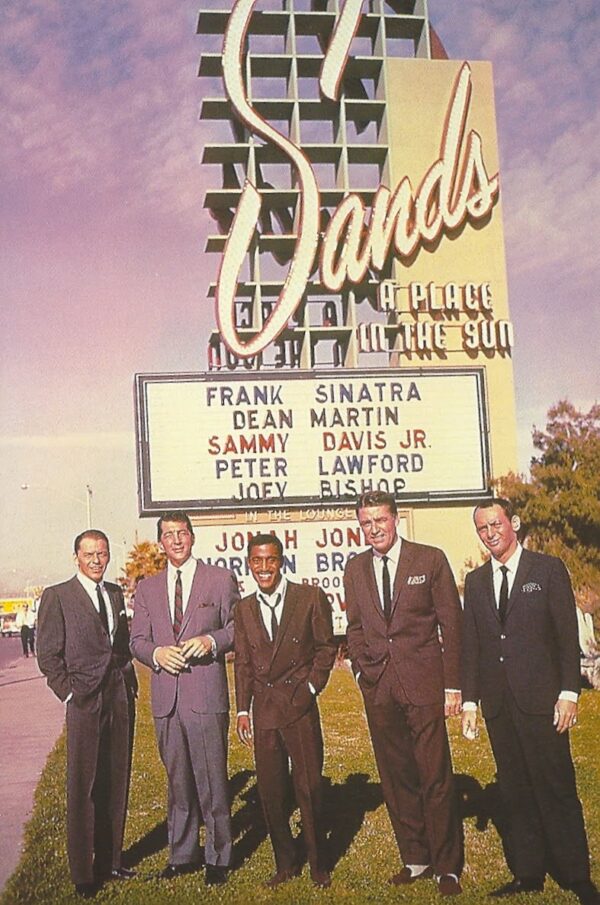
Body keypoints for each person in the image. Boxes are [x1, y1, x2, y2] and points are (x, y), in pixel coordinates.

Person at [462, 498, 599, 905]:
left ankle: (578, 876)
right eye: (482, 529)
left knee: (556, 788)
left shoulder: (547, 569)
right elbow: (472, 646)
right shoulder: (475, 581)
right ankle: (528, 873)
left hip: (543, 703)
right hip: (500, 707)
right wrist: (470, 701)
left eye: (495, 525)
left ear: (513, 523)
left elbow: (564, 637)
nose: (490, 534)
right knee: (515, 791)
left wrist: (569, 693)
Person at [343, 490, 463, 897]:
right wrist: (362, 671)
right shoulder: (355, 568)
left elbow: (452, 624)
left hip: (425, 684)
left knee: (434, 776)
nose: (374, 528)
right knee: (396, 777)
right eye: (366, 522)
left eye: (380, 520)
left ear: (396, 519)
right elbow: (354, 628)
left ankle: (448, 866)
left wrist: (452, 685)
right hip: (379, 689)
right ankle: (416, 858)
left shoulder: (429, 559)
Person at [130, 511, 238, 886]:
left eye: (181, 533)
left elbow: (238, 627)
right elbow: (137, 641)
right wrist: (156, 655)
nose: (175, 540)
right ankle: (182, 854)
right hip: (167, 698)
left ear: (192, 537)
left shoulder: (219, 579)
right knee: (177, 781)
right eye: (168, 534)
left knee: (212, 779)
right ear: (161, 541)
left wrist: (211, 642)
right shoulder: (146, 588)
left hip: (205, 694)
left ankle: (219, 855)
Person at [37, 529, 137, 898]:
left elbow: (119, 645)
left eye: (102, 554)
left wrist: (126, 683)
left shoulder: (113, 593)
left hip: (118, 699)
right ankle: (83, 872)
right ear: (76, 557)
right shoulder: (58, 596)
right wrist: (68, 693)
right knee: (84, 786)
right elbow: (49, 656)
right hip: (83, 702)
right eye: (89, 554)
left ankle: (111, 861)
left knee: (116, 779)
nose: (97, 560)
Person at [234, 533, 336, 889]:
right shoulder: (243, 608)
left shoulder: (308, 597)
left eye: (271, 560)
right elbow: (243, 663)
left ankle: (318, 862)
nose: (264, 568)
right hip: (263, 710)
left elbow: (326, 647)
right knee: (271, 791)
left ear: (282, 561)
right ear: (249, 564)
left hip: (299, 706)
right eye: (257, 561)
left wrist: (310, 686)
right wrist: (242, 711)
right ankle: (285, 862)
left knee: (308, 786)